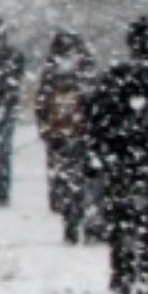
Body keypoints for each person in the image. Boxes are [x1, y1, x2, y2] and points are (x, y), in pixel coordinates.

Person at [86, 18, 148, 294]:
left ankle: (124, 282)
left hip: (123, 165)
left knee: (122, 229)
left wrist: (102, 154)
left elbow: (97, 122)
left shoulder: (115, 78)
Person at [35, 31, 96, 242]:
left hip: (60, 134)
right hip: (75, 134)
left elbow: (41, 104)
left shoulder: (51, 74)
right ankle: (82, 219)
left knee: (65, 177)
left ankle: (71, 218)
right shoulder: (86, 72)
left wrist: (45, 128)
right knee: (81, 179)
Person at [0, 18, 26, 207]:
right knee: (4, 154)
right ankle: (2, 192)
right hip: (7, 108)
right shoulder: (14, 56)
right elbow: (16, 80)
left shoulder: (13, 56)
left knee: (3, 152)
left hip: (4, 106)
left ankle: (2, 191)